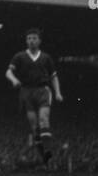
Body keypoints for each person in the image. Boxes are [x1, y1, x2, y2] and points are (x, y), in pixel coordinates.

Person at [5, 29, 63, 164]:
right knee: (34, 127)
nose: (31, 40)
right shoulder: (19, 56)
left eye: (34, 38)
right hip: (26, 91)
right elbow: (8, 72)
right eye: (29, 38)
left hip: (42, 90)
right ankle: (43, 155)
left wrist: (58, 92)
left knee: (44, 119)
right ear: (26, 41)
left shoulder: (46, 58)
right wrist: (14, 80)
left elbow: (54, 76)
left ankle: (48, 151)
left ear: (39, 41)